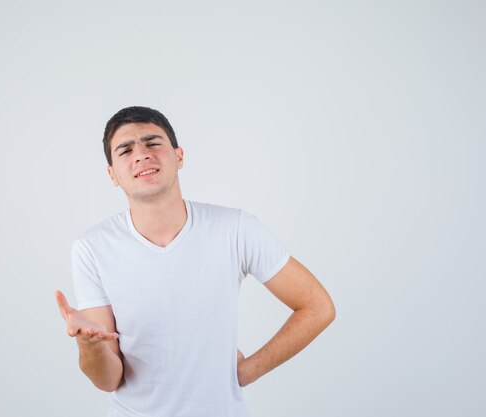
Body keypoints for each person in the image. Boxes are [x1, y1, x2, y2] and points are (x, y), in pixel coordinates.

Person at [55, 106, 336, 417]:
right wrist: (90, 345)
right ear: (113, 175)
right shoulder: (92, 247)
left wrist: (248, 372)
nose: (141, 155)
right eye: (125, 150)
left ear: (179, 156)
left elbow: (317, 306)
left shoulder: (235, 229)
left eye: (153, 143)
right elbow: (109, 380)